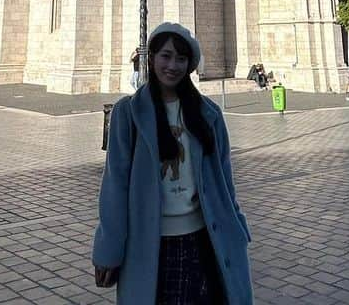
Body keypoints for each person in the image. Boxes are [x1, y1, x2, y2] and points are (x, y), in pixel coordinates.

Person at [92, 22, 252, 304]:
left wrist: (238, 228)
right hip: (152, 244)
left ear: (190, 65)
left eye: (181, 58)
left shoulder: (208, 114)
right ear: (151, 58)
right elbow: (115, 188)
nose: (172, 65)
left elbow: (225, 183)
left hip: (205, 240)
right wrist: (108, 251)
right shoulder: (127, 114)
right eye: (165, 56)